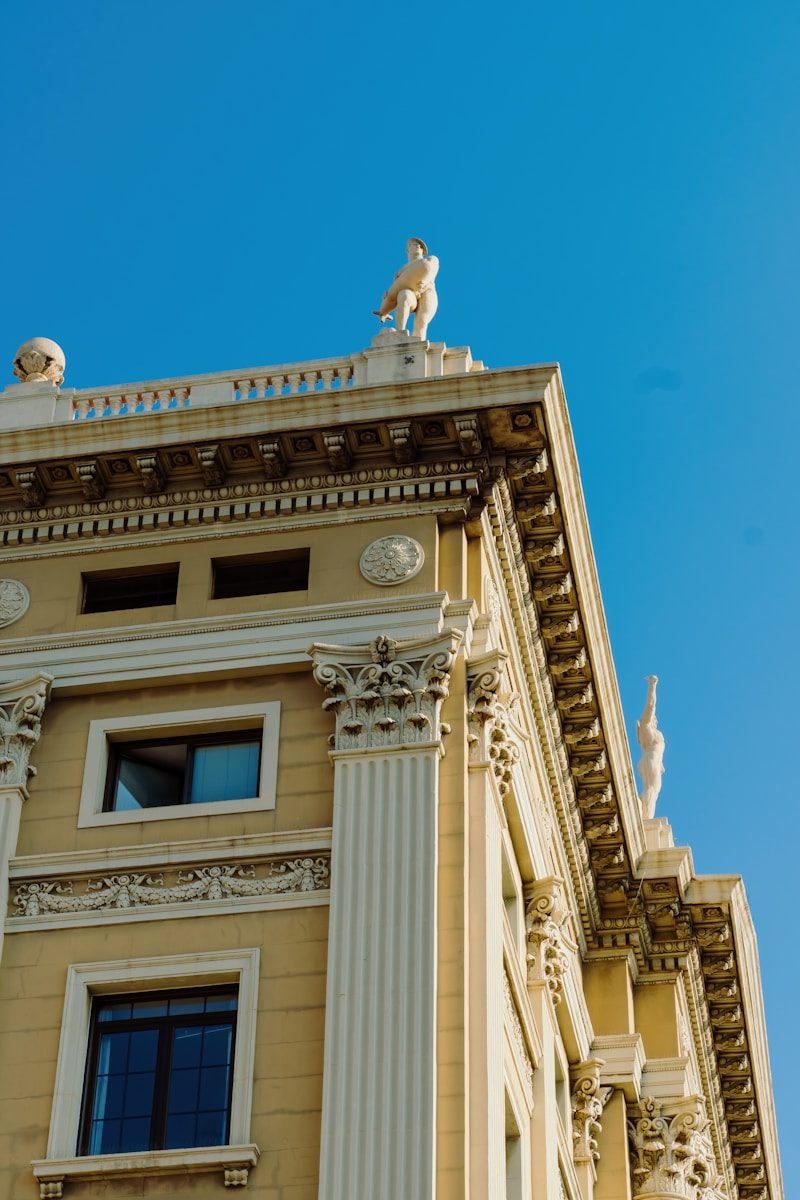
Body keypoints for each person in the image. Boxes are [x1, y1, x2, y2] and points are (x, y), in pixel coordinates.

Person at [373, 237, 439, 339]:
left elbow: (432, 269)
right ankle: (400, 334)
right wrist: (385, 305)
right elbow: (395, 291)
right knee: (404, 295)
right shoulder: (400, 272)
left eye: (421, 246)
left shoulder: (430, 259)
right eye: (415, 244)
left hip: (427, 291)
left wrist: (424, 283)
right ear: (408, 249)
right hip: (411, 292)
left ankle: (418, 346)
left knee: (421, 322)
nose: (419, 246)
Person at [636, 674, 666, 820]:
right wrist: (652, 685)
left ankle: (644, 813)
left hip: (650, 762)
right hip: (650, 761)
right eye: (655, 719)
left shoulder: (648, 731)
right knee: (651, 790)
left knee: (652, 790)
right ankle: (646, 820)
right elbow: (651, 705)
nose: (656, 720)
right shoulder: (646, 725)